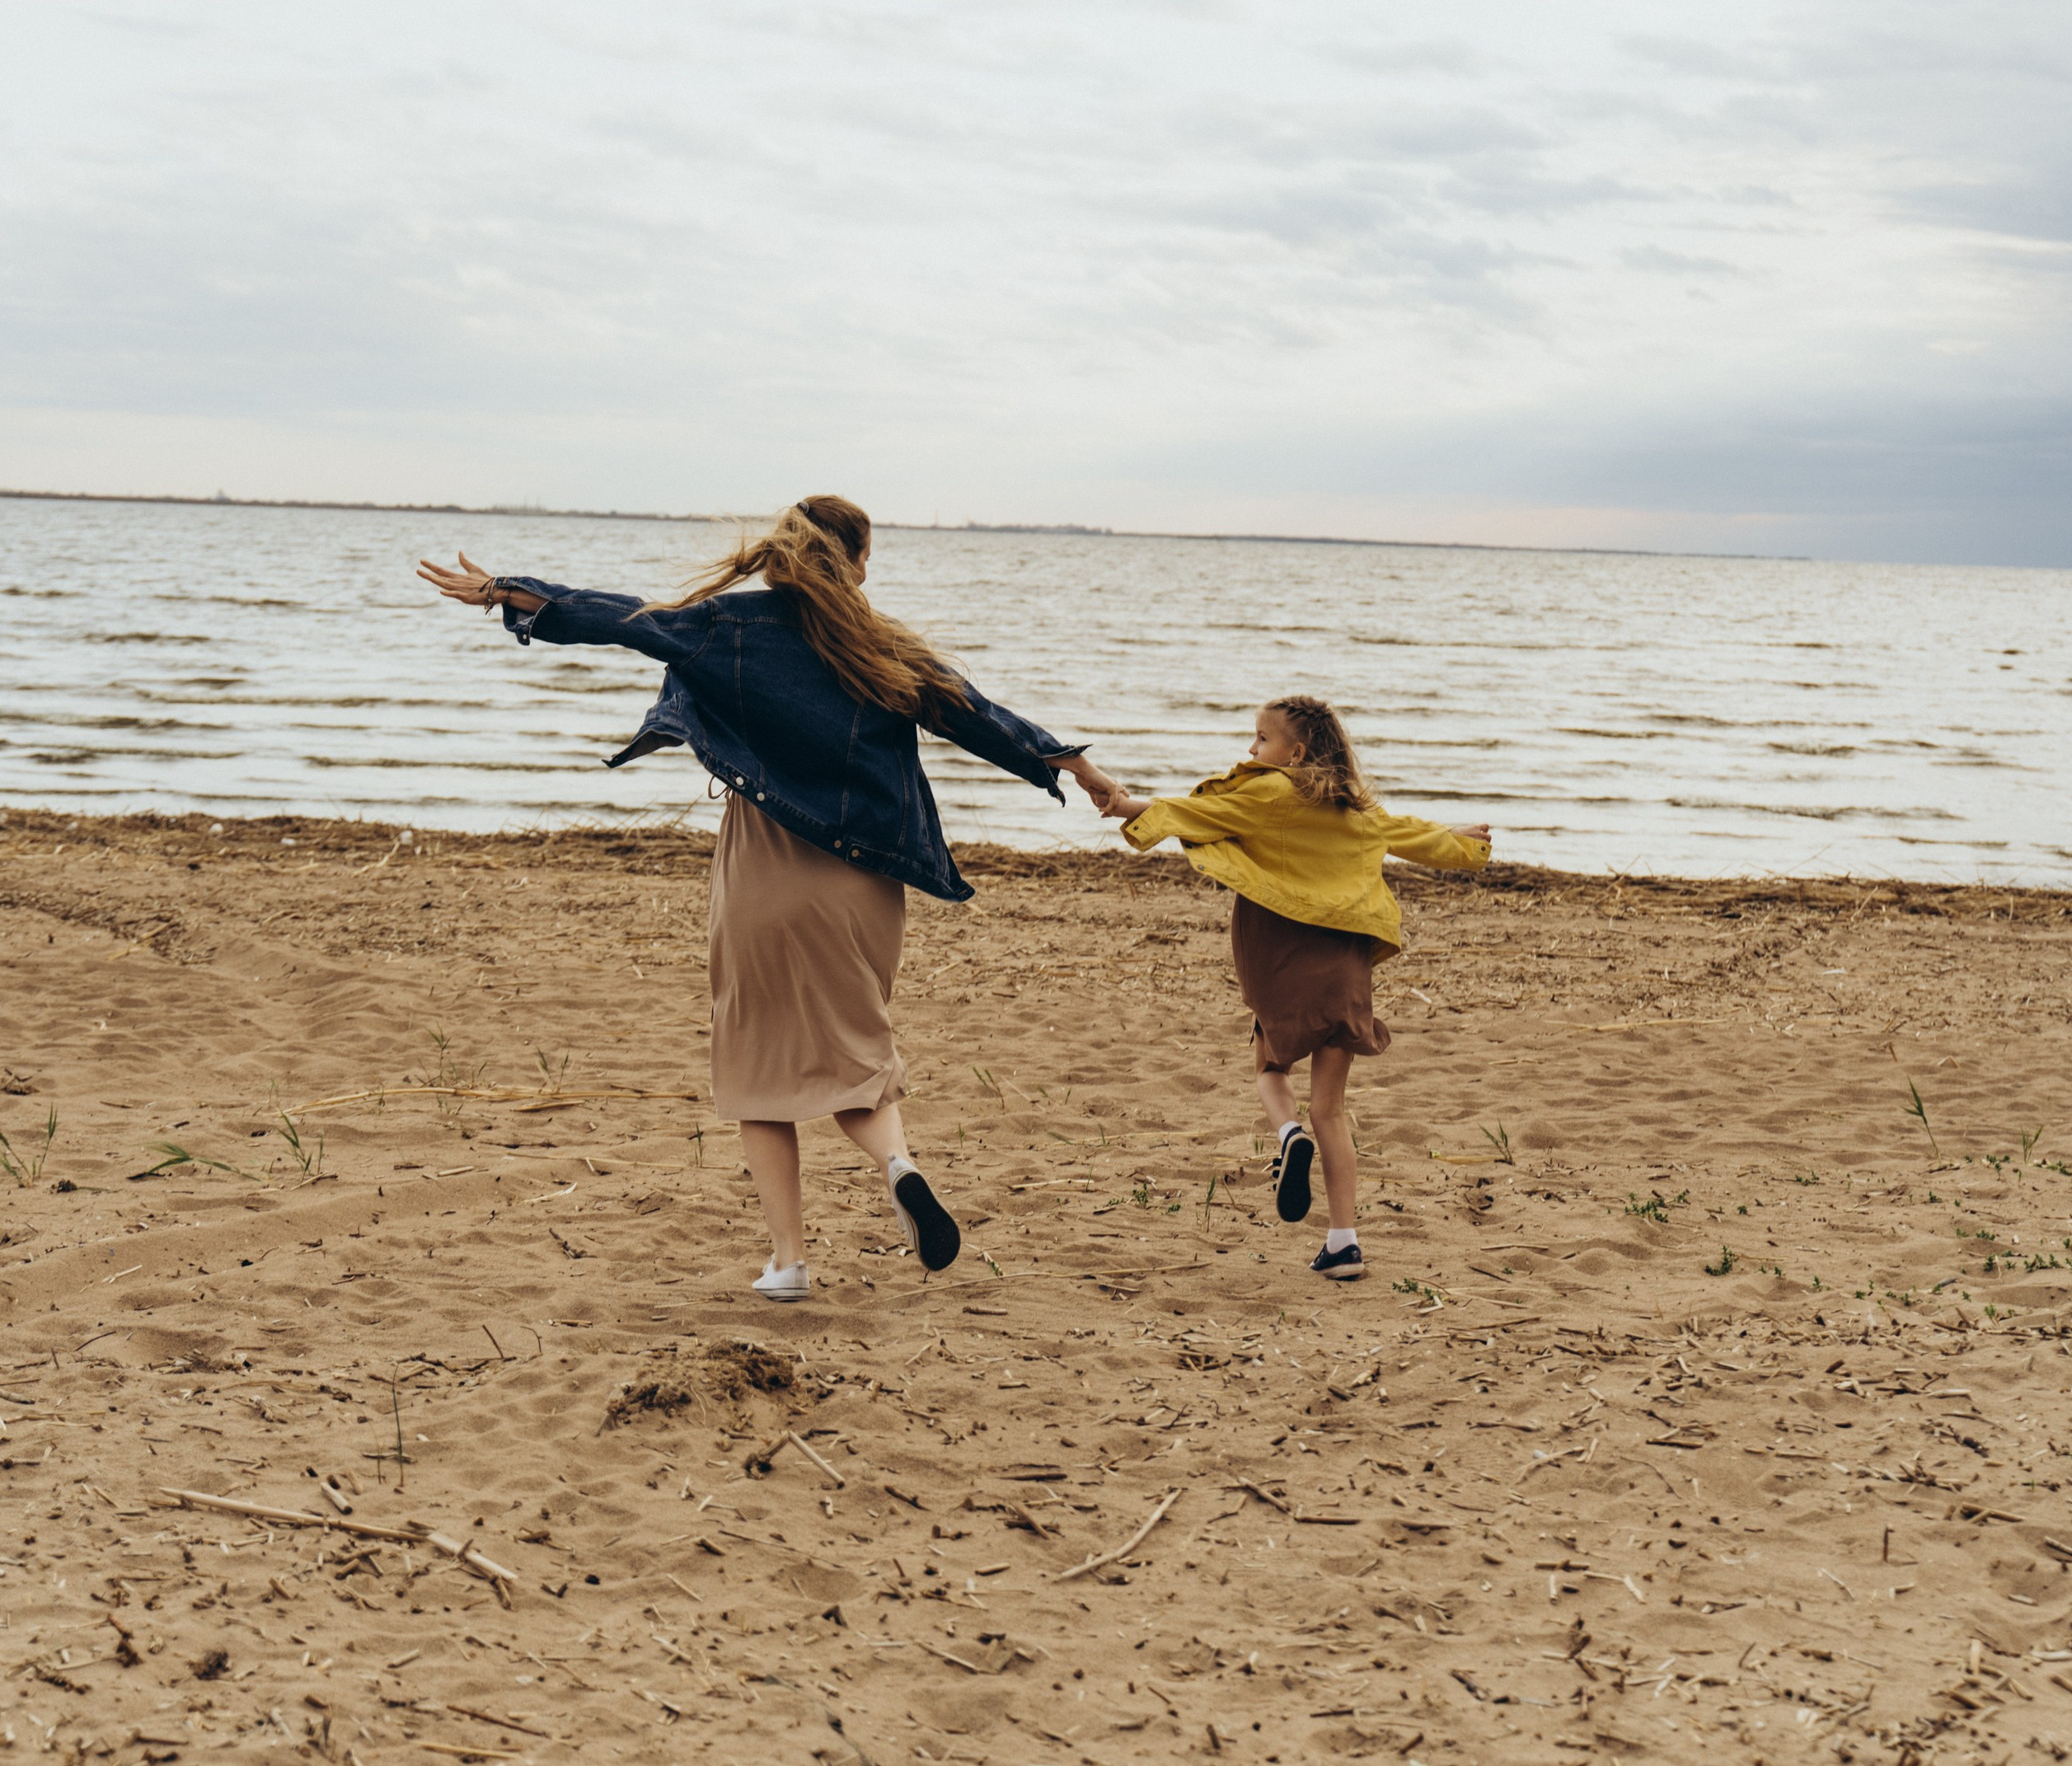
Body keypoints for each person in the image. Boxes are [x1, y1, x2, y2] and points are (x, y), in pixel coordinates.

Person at [418, 497, 1085, 1304]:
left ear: (777, 557)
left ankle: (789, 1262)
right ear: (859, 562)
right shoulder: (884, 647)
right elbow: (978, 718)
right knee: (852, 1045)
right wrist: (1075, 770)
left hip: (766, 869)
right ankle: (898, 1166)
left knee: (759, 1064)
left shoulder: (724, 626)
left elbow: (622, 618)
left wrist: (507, 591)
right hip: (867, 880)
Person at [1067, 698, 1492, 1281]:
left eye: (1260, 740)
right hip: (1344, 968)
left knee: (1270, 1071)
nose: (1251, 751)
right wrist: (1462, 839)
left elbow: (1194, 812)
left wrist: (1123, 805)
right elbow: (1409, 835)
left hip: (1283, 962)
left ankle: (1288, 1134)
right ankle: (1344, 1243)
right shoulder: (1357, 807)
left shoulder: (1271, 793)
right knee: (1333, 1110)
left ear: (1295, 754)